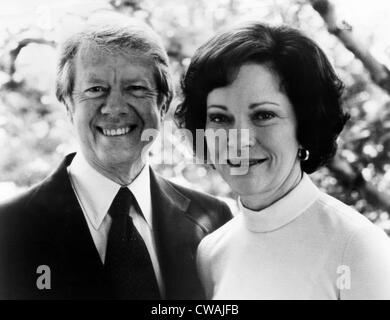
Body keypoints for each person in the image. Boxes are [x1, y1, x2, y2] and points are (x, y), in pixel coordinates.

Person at [0, 14, 232, 300]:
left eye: (135, 88)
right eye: (96, 89)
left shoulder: (213, 221)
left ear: (163, 103)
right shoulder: (9, 228)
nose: (114, 108)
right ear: (68, 104)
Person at [179, 22, 390, 299]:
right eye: (220, 118)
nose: (238, 140)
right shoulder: (211, 253)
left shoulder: (355, 246)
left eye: (263, 115)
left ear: (303, 126)